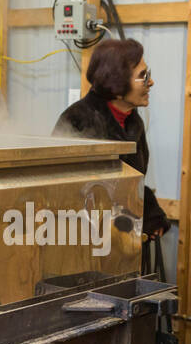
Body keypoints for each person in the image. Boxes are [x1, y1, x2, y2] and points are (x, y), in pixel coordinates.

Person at [53, 38, 169, 245]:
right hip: (82, 242)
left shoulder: (134, 123)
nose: (150, 82)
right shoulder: (76, 120)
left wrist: (151, 214)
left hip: (121, 241)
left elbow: (133, 180)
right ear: (117, 85)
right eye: (143, 76)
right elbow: (63, 194)